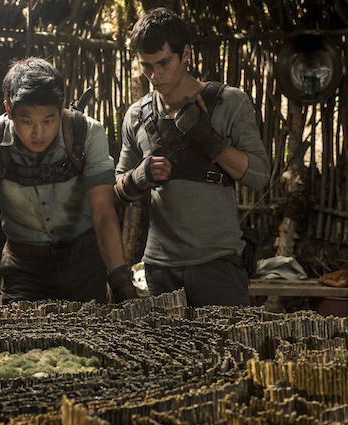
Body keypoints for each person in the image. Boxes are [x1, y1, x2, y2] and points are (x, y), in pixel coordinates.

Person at [0, 57, 137, 305]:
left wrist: (120, 281)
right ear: (9, 111)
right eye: (27, 122)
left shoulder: (86, 134)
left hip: (84, 267)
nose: (38, 133)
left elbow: (103, 213)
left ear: (63, 107)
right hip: (23, 269)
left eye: (48, 120)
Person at [115, 8, 270, 307]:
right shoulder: (136, 116)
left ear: (185, 54)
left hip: (218, 264)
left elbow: (260, 176)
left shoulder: (229, 103)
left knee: (227, 351)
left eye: (164, 63)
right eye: (146, 66)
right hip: (159, 268)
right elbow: (115, 190)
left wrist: (209, 140)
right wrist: (138, 177)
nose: (155, 76)